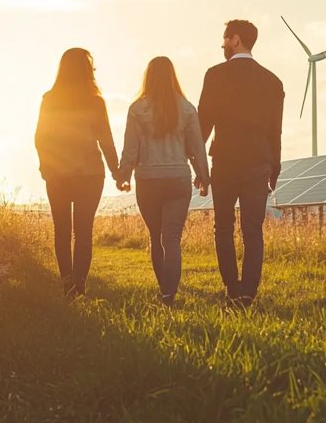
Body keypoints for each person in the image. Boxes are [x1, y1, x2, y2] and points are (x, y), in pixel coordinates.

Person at [197, 19, 285, 309]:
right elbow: (275, 130)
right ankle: (248, 293)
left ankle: (232, 289)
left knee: (223, 227)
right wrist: (275, 167)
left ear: (235, 39)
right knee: (253, 230)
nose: (222, 44)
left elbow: (203, 124)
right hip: (259, 163)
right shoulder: (273, 82)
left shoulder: (215, 75)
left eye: (225, 38)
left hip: (224, 161)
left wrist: (197, 164)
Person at [116, 57, 210, 306]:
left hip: (148, 180)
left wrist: (123, 175)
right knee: (172, 239)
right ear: (172, 76)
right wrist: (204, 177)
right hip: (178, 179)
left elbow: (130, 149)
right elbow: (197, 147)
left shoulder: (137, 109)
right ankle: (169, 293)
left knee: (156, 236)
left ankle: (164, 290)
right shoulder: (187, 108)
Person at [35, 48, 120, 298]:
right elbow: (106, 140)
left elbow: (40, 137)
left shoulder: (50, 99)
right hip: (90, 174)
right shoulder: (95, 102)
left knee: (61, 230)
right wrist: (117, 172)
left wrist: (46, 166)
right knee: (84, 230)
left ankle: (67, 285)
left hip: (58, 175)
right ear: (87, 70)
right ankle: (79, 285)